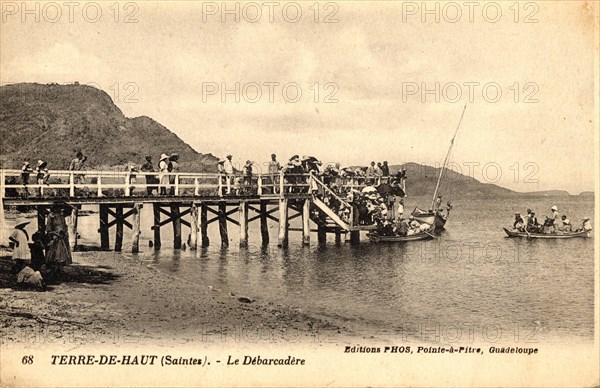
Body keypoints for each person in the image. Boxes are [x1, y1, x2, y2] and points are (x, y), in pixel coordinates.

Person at [45, 205, 73, 278]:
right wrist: (56, 234)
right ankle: (55, 271)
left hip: (62, 237)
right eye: (57, 207)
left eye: (59, 208)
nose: (59, 209)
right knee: (54, 255)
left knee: (62, 254)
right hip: (55, 238)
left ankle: (60, 270)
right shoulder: (51, 216)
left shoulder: (62, 215)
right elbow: (48, 229)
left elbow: (70, 210)